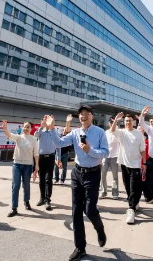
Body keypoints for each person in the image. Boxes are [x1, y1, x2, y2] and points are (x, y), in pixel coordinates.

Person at [46, 106, 109, 261]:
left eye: (86, 114)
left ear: (92, 116)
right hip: (77, 173)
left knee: (90, 209)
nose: (83, 116)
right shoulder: (75, 133)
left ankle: (100, 229)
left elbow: (105, 152)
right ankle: (80, 247)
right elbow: (59, 143)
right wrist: (52, 128)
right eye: (81, 114)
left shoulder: (99, 132)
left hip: (93, 173)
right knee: (76, 211)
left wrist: (90, 150)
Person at [109, 112, 146, 224]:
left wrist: (144, 164)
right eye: (126, 121)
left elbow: (143, 150)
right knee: (128, 187)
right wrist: (116, 120)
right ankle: (135, 203)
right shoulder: (121, 132)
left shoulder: (138, 134)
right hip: (124, 164)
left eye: (129, 121)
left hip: (135, 165)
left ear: (133, 122)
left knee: (134, 186)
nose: (128, 122)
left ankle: (131, 209)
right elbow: (112, 130)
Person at [2, 120, 39, 216]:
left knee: (26, 185)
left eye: (28, 127)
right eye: (24, 127)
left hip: (28, 165)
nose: (25, 128)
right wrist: (5, 129)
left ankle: (26, 201)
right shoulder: (19, 137)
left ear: (31, 129)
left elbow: (36, 153)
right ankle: (14, 208)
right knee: (15, 186)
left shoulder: (34, 139)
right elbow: (9, 135)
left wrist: (36, 165)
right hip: (17, 165)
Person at [34, 115, 58, 210]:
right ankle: (42, 198)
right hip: (41, 158)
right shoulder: (40, 132)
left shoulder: (54, 132)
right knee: (41, 179)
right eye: (44, 120)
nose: (46, 121)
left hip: (50, 157)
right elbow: (35, 136)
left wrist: (58, 157)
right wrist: (41, 126)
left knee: (48, 179)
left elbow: (58, 144)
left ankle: (47, 200)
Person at [101, 113, 121, 199]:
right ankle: (104, 192)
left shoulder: (118, 131)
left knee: (115, 176)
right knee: (103, 174)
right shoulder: (105, 133)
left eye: (114, 122)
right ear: (109, 123)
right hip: (105, 156)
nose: (113, 123)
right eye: (111, 122)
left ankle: (115, 193)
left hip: (114, 157)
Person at [55, 115, 73, 184]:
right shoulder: (59, 137)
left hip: (65, 154)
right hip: (58, 154)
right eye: (64, 130)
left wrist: (68, 122)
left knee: (64, 168)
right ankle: (56, 179)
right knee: (56, 167)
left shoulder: (68, 137)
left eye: (66, 130)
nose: (65, 131)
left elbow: (68, 130)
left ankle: (62, 180)